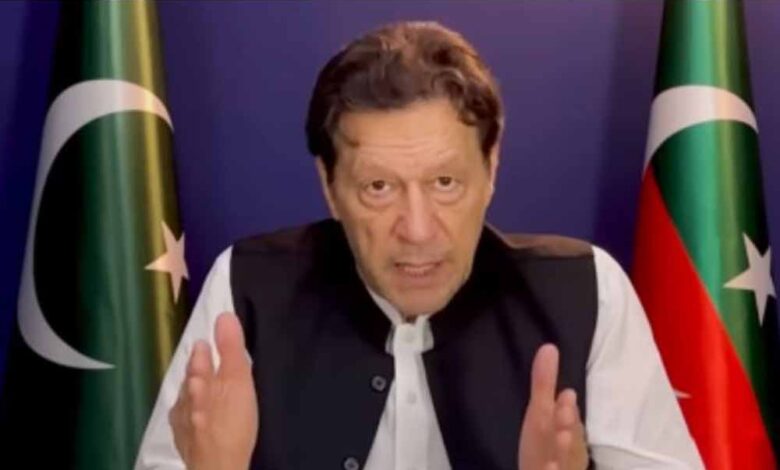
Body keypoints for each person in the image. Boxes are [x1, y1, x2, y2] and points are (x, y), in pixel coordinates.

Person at [135, 21, 704, 470]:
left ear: (491, 168)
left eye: (445, 183)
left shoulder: (586, 291)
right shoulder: (247, 288)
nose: (418, 229)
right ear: (329, 186)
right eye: (378, 188)